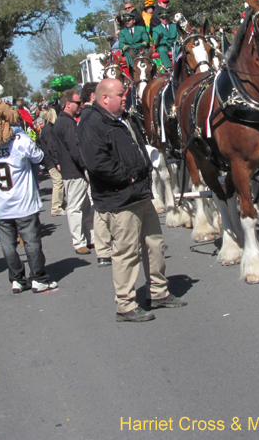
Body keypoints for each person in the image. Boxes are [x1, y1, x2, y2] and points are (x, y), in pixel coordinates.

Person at [77, 78, 187, 322]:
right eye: (120, 94)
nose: (125, 97)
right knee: (127, 253)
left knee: (154, 245)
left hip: (140, 194)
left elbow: (139, 147)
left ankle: (158, 292)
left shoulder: (125, 118)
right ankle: (125, 305)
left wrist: (144, 170)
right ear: (104, 98)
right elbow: (96, 162)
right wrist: (127, 178)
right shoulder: (91, 123)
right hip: (119, 199)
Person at [0, 128, 59, 294]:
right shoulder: (20, 141)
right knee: (31, 243)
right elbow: (39, 156)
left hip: (1, 204)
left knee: (8, 246)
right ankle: (38, 278)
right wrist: (19, 132)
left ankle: (17, 279)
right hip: (23, 203)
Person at [53, 90, 92, 254]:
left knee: (86, 206)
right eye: (77, 103)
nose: (80, 106)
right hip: (74, 171)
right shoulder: (66, 123)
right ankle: (79, 242)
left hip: (74, 171)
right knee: (75, 208)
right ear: (68, 104)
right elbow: (74, 149)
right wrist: (86, 165)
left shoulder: (63, 122)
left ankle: (90, 238)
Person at [79, 82, 112, 267]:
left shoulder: (86, 114)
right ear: (94, 96)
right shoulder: (91, 115)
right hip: (98, 167)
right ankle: (104, 249)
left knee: (100, 207)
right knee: (101, 207)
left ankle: (103, 249)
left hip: (94, 166)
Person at [38, 108, 64, 216]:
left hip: (50, 160)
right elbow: (51, 147)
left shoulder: (47, 128)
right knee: (58, 182)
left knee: (59, 182)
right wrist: (57, 161)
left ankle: (60, 204)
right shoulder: (48, 130)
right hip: (51, 161)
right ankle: (56, 207)